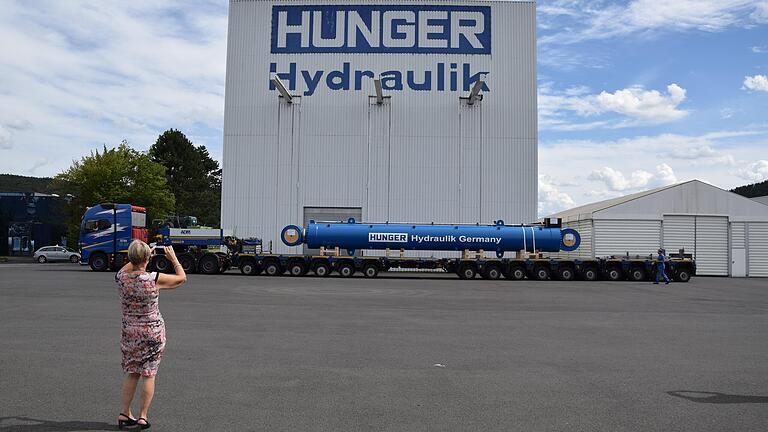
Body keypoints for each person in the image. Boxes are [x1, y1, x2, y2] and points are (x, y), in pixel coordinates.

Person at [116, 240, 187, 430]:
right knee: (148, 374)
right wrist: (173, 259)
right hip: (152, 332)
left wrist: (140, 254)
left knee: (132, 372)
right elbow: (181, 278)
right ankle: (142, 416)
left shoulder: (122, 278)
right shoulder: (153, 279)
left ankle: (124, 413)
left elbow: (129, 266)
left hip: (130, 332)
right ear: (148, 258)